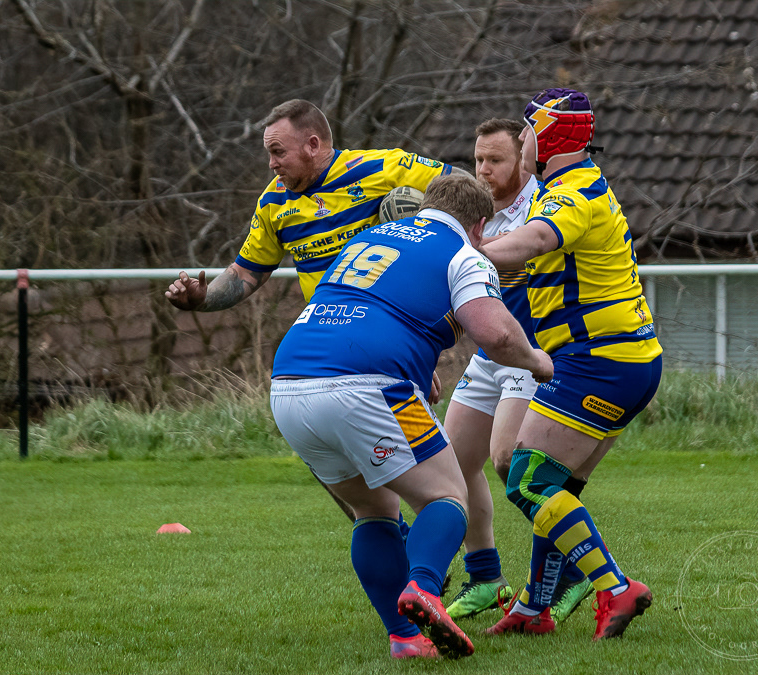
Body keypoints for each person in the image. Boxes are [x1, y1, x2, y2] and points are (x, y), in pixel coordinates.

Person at [268, 174, 553, 659]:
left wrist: (415, 367)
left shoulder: (367, 238)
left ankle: (405, 640)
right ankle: (423, 589)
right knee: (446, 494)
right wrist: (536, 360)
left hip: (289, 386)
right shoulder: (464, 253)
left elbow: (370, 310)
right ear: (479, 225)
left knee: (372, 510)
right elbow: (495, 333)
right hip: (369, 385)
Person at [165, 99, 457, 523]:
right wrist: (202, 300)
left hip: (392, 340)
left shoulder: (385, 169)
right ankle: (402, 545)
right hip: (330, 346)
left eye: (278, 152)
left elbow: (463, 187)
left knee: (422, 471)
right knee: (340, 472)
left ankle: (455, 560)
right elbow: (245, 274)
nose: (270, 164)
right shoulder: (274, 203)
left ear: (313, 144)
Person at [479, 88, 662, 641]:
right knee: (554, 483)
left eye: (528, 130)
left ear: (546, 135)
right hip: (618, 358)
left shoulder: (575, 191)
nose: (523, 140)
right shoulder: (567, 187)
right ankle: (536, 608)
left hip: (600, 360)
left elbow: (535, 240)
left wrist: (462, 253)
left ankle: (614, 586)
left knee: (526, 478)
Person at [443, 119, 593, 624]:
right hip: (489, 357)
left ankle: (573, 571)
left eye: (496, 160)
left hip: (533, 355)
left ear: (522, 162)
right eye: (479, 159)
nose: (483, 170)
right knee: (449, 465)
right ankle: (486, 577)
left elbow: (517, 263)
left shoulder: (541, 207)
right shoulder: (472, 211)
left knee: (509, 462)